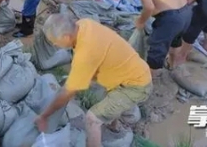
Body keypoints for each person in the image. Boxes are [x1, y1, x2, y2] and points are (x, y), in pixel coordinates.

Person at [34, 14, 152, 147]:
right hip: (125, 72)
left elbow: (67, 93)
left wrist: (44, 116)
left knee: (92, 119)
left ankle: (117, 123)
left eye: (55, 41)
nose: (55, 45)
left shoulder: (85, 52)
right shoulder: (84, 24)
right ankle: (114, 126)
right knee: (106, 95)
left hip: (135, 85)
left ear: (66, 37)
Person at [125, 0, 192, 72]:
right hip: (187, 11)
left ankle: (150, 82)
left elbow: (149, 6)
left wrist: (141, 21)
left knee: (156, 52)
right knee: (176, 40)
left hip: (171, 19)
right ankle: (172, 64)